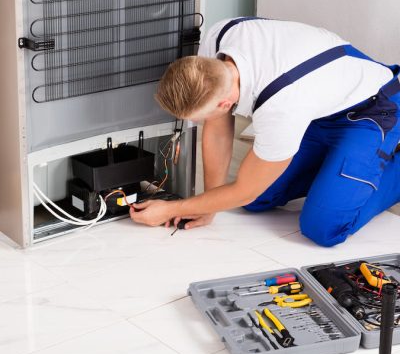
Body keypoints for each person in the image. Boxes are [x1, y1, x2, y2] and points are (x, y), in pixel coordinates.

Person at [130, 17, 400, 247]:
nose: (202, 124)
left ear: (224, 104)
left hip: (373, 109)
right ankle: (338, 169)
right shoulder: (220, 39)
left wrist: (174, 208)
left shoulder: (281, 107)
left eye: (199, 119)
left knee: (323, 229)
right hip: (319, 109)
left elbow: (245, 189)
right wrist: (206, 205)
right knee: (258, 199)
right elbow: (218, 126)